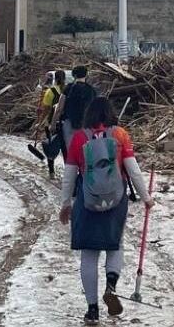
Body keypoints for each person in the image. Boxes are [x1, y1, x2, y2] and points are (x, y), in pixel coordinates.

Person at [59, 97, 155, 325]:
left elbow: (69, 175)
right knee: (116, 244)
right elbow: (133, 171)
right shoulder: (120, 135)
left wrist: (66, 204)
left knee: (89, 254)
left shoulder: (79, 138)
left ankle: (92, 309)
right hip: (116, 199)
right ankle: (111, 285)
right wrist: (146, 198)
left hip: (88, 201)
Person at [50, 65, 96, 153]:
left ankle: (71, 166)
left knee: (70, 151)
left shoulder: (68, 88)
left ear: (74, 75)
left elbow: (59, 108)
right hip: (86, 126)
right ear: (86, 75)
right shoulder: (91, 91)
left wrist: (53, 124)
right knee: (84, 151)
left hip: (69, 124)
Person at [37, 70, 66, 179]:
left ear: (55, 78)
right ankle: (68, 170)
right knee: (65, 147)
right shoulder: (67, 90)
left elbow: (46, 109)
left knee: (51, 145)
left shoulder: (50, 91)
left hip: (52, 122)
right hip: (65, 123)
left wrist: (40, 122)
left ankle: (52, 171)